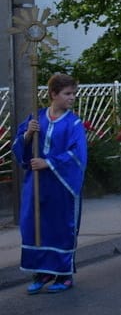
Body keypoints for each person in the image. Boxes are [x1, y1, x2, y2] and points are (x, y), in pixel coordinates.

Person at [13, 73, 87, 294]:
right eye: (67, 93)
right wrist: (27, 134)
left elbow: (78, 155)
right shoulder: (36, 118)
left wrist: (49, 162)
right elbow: (19, 147)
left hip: (62, 185)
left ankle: (64, 275)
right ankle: (42, 271)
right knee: (34, 226)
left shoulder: (74, 123)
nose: (72, 97)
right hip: (35, 184)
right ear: (53, 94)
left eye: (73, 93)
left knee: (59, 227)